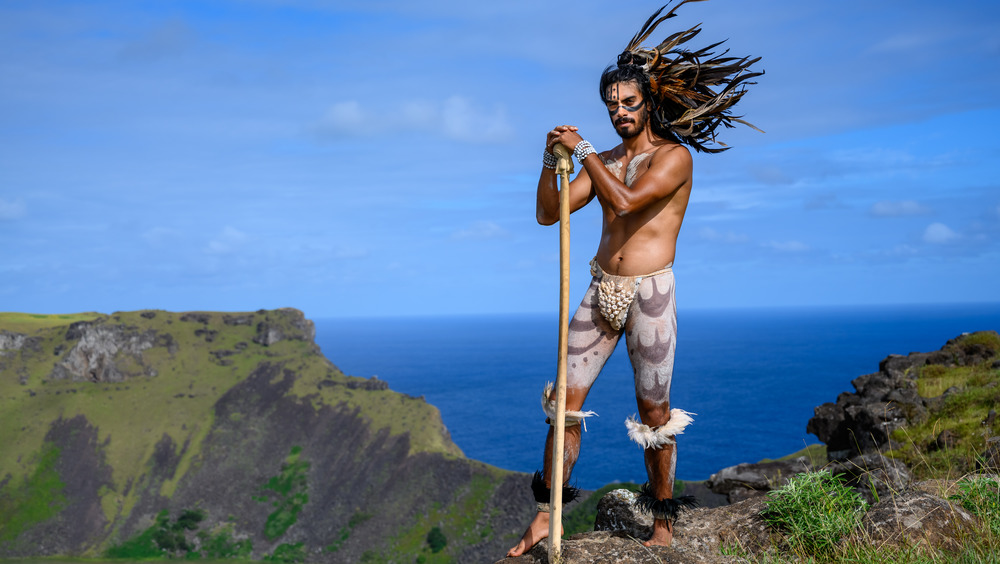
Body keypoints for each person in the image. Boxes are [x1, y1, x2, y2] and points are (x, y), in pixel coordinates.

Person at [507, 1, 761, 556]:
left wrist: (587, 153)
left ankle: (663, 522)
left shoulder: (675, 158)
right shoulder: (607, 159)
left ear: (647, 103)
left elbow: (623, 206)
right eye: (611, 104)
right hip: (602, 289)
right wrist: (550, 160)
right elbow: (549, 214)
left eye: (627, 102)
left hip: (651, 293)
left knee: (654, 418)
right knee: (565, 406)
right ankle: (546, 515)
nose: (619, 111)